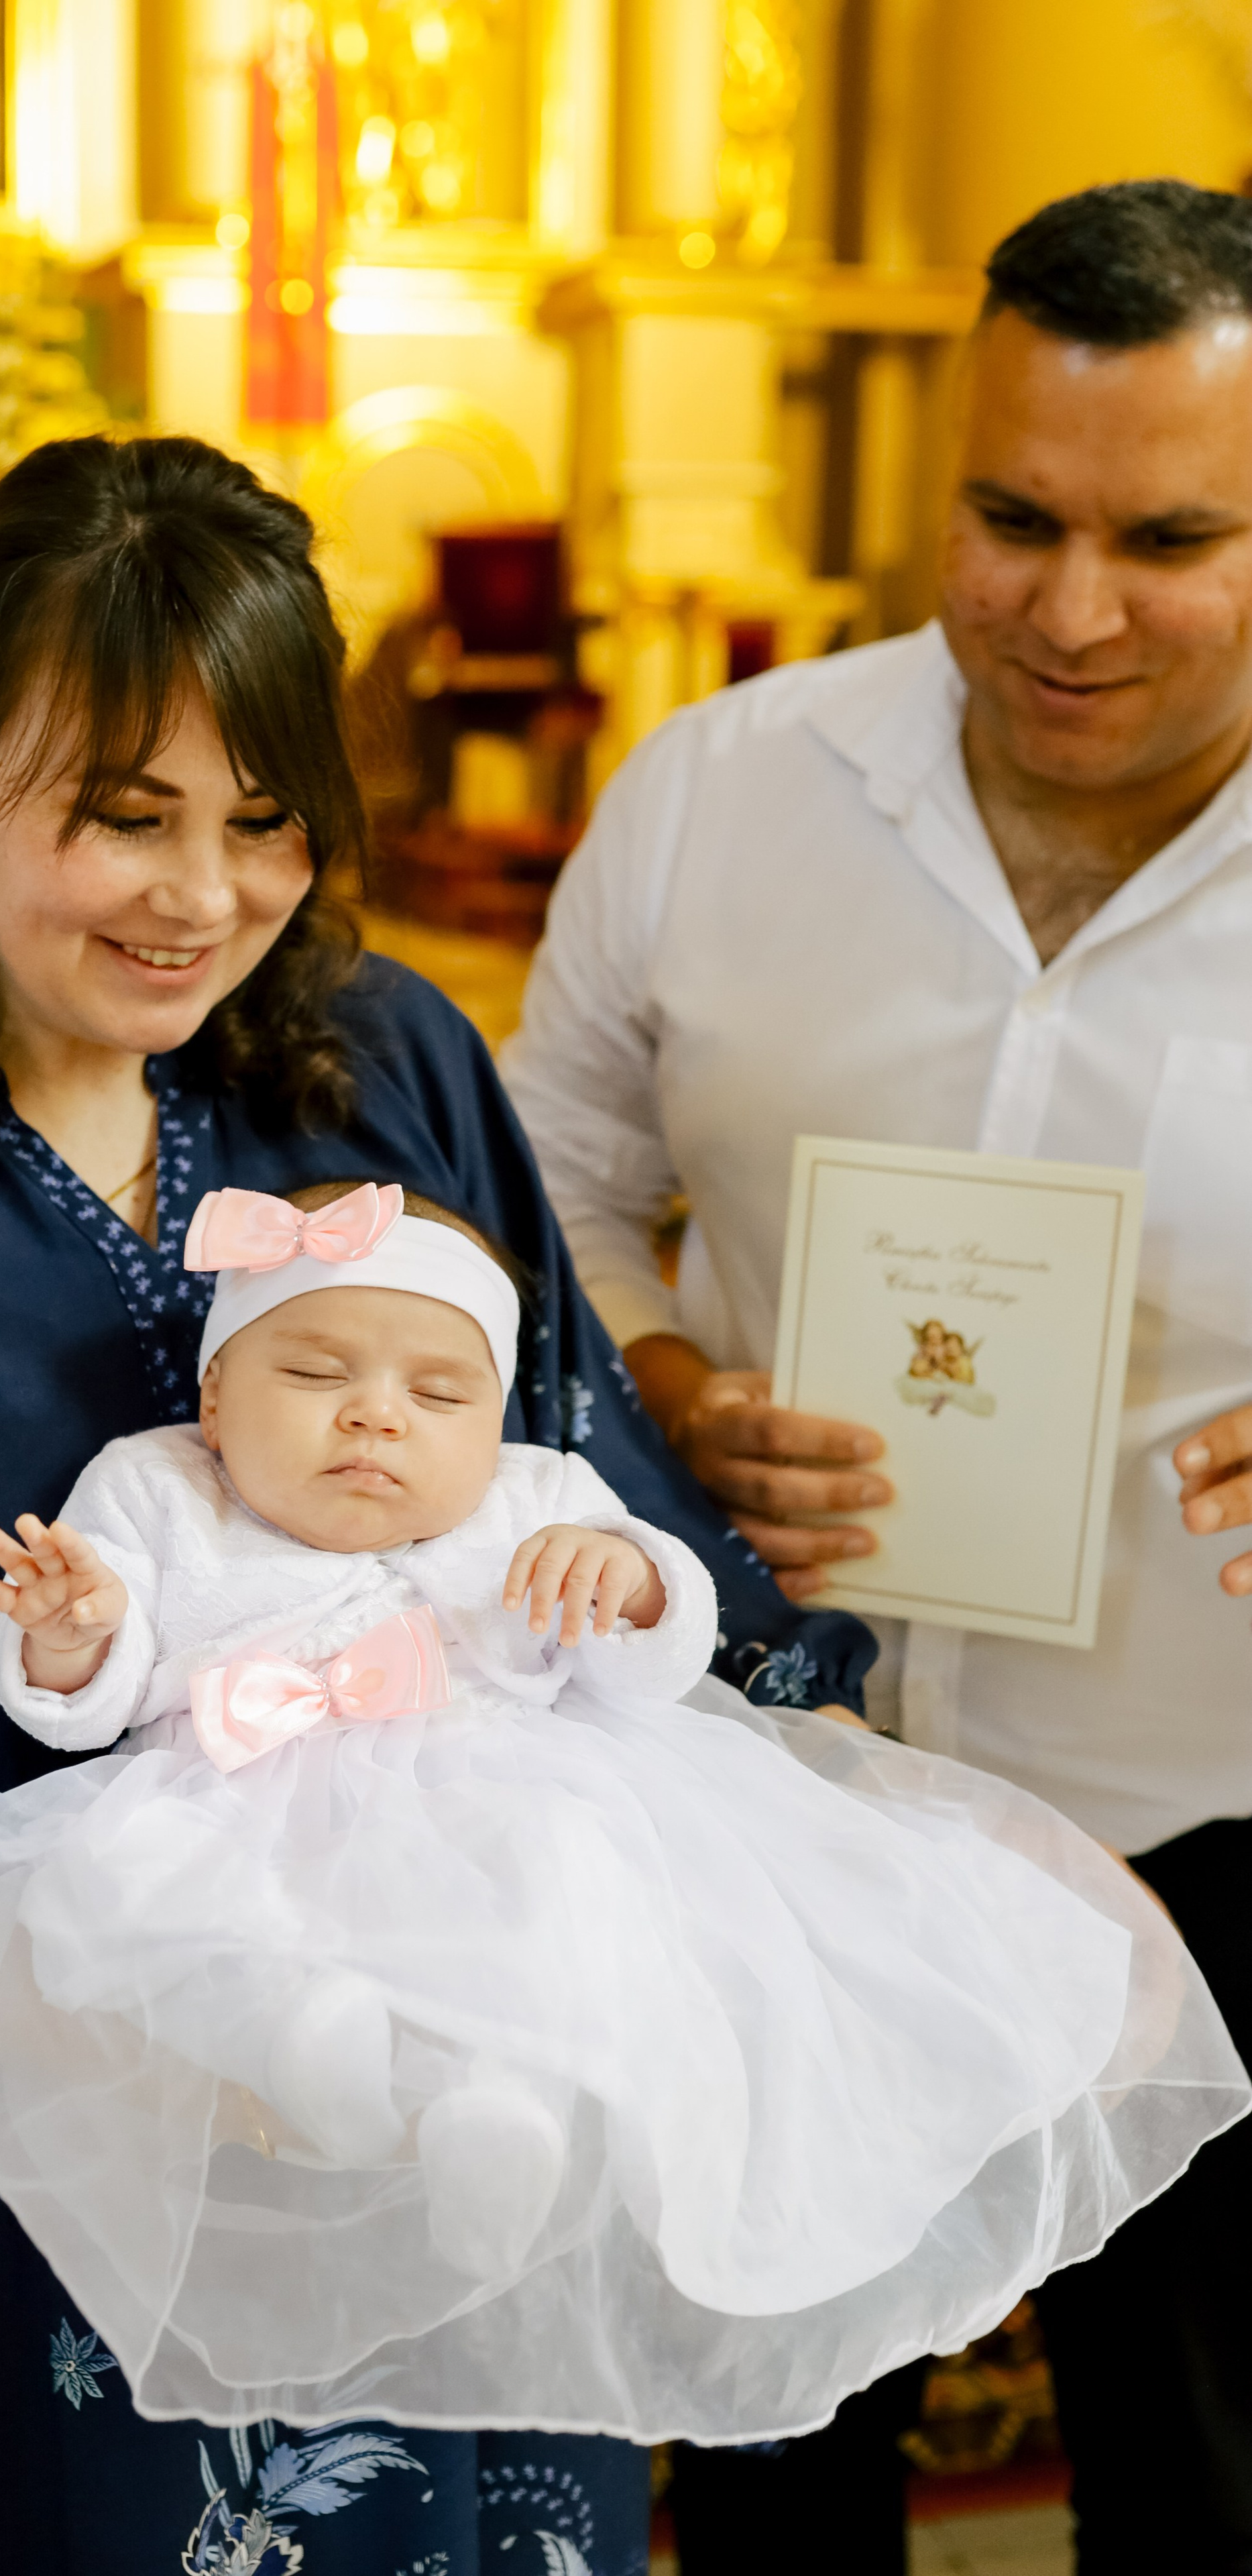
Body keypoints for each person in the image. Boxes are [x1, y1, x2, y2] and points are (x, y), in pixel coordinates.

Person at [0, 433, 872, 2576]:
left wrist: (759, 1737)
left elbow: (561, 1458)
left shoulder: (384, 1063)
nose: (201, 893)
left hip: (466, 2072)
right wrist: (114, 2011)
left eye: (262, 820)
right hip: (32, 2117)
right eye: (123, 814)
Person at [502, 180, 1252, 2573]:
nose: (1069, 609)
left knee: (1213, 2477)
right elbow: (542, 1179)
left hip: (1212, 1818)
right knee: (768, 2475)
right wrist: (649, 1384)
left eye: (1173, 537)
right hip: (769, 1798)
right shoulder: (725, 795)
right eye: (1010, 517)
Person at [0, 1176, 1242, 2448]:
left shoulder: (536, 1496)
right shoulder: (155, 1488)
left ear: (493, 1418)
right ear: (213, 1397)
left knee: (563, 1898)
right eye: (314, 1375)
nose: (375, 1418)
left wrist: (629, 1580)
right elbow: (88, 1695)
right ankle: (320, 2051)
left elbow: (650, 1672)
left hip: (498, 1795)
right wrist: (71, 1631)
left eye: (437, 1393)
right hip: (236, 1805)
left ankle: (502, 2112)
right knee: (142, 1899)